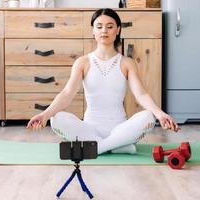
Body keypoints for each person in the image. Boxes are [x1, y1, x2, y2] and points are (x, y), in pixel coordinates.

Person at [27, 8, 180, 154]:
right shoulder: (83, 62)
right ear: (93, 30)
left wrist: (160, 114)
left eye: (110, 26)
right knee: (56, 119)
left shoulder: (127, 63)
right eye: (99, 26)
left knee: (148, 116)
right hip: (89, 130)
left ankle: (98, 148)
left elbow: (141, 94)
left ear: (118, 30)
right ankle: (117, 146)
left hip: (120, 129)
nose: (104, 31)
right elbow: (67, 94)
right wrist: (45, 115)